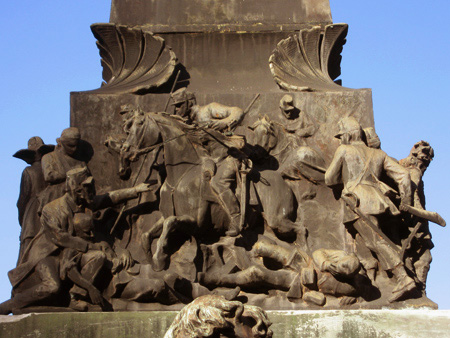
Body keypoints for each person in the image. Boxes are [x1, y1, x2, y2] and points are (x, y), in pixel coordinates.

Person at [0, 167, 152, 314]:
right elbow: (60, 237)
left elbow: (108, 198)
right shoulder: (52, 209)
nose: (93, 192)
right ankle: (9, 305)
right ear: (77, 190)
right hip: (48, 254)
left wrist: (135, 190)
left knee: (98, 257)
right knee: (52, 286)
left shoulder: (85, 202)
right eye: (88, 188)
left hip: (72, 253)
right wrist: (90, 246)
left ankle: (75, 296)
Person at [325, 116, 415, 302]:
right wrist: (405, 200)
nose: (340, 139)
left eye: (342, 135)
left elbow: (329, 179)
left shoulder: (344, 150)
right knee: (367, 241)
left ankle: (403, 277)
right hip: (378, 201)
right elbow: (404, 175)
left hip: (357, 202)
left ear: (349, 135)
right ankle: (366, 284)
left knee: (375, 240)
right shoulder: (378, 154)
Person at [170, 88, 249, 236]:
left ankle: (236, 219)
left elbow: (238, 111)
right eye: (176, 105)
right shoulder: (188, 123)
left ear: (189, 102)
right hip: (209, 160)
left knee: (218, 183)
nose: (177, 109)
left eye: (180, 105)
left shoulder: (208, 110)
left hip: (228, 156)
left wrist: (224, 123)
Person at [399, 141, 435, 291]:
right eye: (425, 158)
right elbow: (413, 198)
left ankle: (417, 290)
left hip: (411, 220)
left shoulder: (403, 167)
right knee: (424, 257)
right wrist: (422, 215)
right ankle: (419, 290)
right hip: (413, 222)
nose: (426, 162)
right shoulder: (414, 171)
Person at [13, 137, 54, 264]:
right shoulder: (50, 170)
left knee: (28, 245)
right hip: (49, 209)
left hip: (32, 212)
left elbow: (23, 199)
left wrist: (22, 219)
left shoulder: (28, 171)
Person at [39, 127, 88, 212]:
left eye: (76, 145)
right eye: (71, 146)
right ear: (61, 143)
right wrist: (71, 174)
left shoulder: (79, 160)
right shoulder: (49, 157)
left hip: (77, 198)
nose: (74, 149)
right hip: (56, 196)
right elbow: (49, 176)